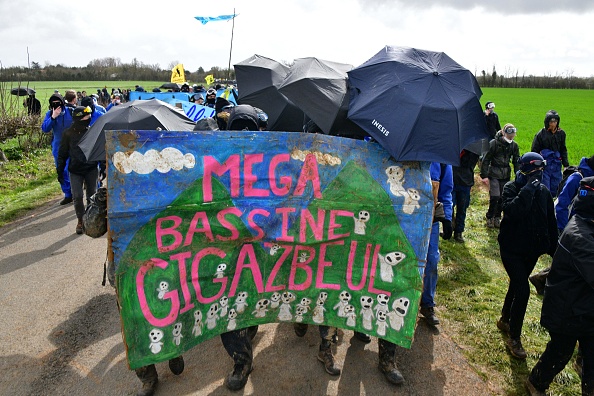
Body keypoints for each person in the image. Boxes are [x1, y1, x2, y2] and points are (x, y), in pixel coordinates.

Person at [525, 176, 594, 396]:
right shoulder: (581, 237)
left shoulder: (584, 224)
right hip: (567, 310)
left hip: (582, 307)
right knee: (560, 352)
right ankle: (536, 382)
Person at [496, 152, 558, 360]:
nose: (538, 175)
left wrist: (554, 251)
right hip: (511, 250)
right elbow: (513, 212)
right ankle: (515, 338)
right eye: (535, 171)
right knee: (522, 291)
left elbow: (550, 222)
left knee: (516, 285)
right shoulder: (511, 188)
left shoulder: (544, 193)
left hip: (530, 252)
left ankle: (505, 319)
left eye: (541, 171)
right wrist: (529, 189)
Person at [218, 104, 261, 391]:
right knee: (228, 307)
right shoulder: (215, 157)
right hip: (226, 250)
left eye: (250, 129)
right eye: (239, 129)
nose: (244, 134)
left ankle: (248, 337)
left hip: (259, 251)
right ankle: (241, 361)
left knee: (252, 303)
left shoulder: (271, 157)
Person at [528, 154, 594, 296]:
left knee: (566, 260)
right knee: (568, 261)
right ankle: (542, 280)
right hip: (571, 227)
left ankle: (540, 279)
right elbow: (561, 204)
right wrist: (563, 229)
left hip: (582, 228)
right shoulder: (578, 178)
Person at [56, 106, 103, 234]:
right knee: (77, 196)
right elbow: (62, 153)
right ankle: (80, 220)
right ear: (78, 119)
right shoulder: (68, 134)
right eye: (85, 117)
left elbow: (99, 150)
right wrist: (59, 170)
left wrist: (103, 166)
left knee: (91, 196)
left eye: (89, 117)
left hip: (91, 169)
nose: (88, 119)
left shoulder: (92, 132)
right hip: (75, 170)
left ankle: (88, 220)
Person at [420, 162, 453, 326]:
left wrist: (447, 217)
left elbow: (446, 191)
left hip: (431, 218)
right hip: (404, 216)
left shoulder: (441, 157)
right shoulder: (403, 147)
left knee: (431, 259)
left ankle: (427, 304)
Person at [480, 123, 521, 228]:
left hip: (506, 174)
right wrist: (484, 175)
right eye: (509, 132)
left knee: (503, 197)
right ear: (504, 133)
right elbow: (486, 159)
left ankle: (497, 217)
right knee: (495, 196)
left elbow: (516, 161)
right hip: (493, 173)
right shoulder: (494, 144)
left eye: (513, 132)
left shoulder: (514, 146)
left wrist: (518, 175)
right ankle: (490, 217)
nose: (511, 135)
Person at [41, 93, 73, 205]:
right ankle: (68, 194)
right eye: (53, 103)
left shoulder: (71, 111)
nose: (56, 105)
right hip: (58, 148)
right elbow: (45, 128)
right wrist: (53, 117)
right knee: (62, 170)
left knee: (71, 169)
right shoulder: (49, 114)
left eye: (58, 102)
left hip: (72, 146)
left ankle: (76, 191)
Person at [531, 110, 569, 197]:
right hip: (545, 164)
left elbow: (563, 149)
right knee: (545, 188)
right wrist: (536, 165)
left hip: (556, 164)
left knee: (556, 187)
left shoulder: (561, 134)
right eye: (551, 121)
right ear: (547, 122)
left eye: (555, 121)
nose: (553, 124)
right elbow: (534, 150)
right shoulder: (540, 134)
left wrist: (566, 164)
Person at [452, 149, 480, 242]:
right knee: (450, 206)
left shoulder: (474, 150)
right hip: (452, 180)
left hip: (465, 182)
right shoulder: (453, 147)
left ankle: (459, 231)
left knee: (462, 208)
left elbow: (470, 164)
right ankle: (450, 225)